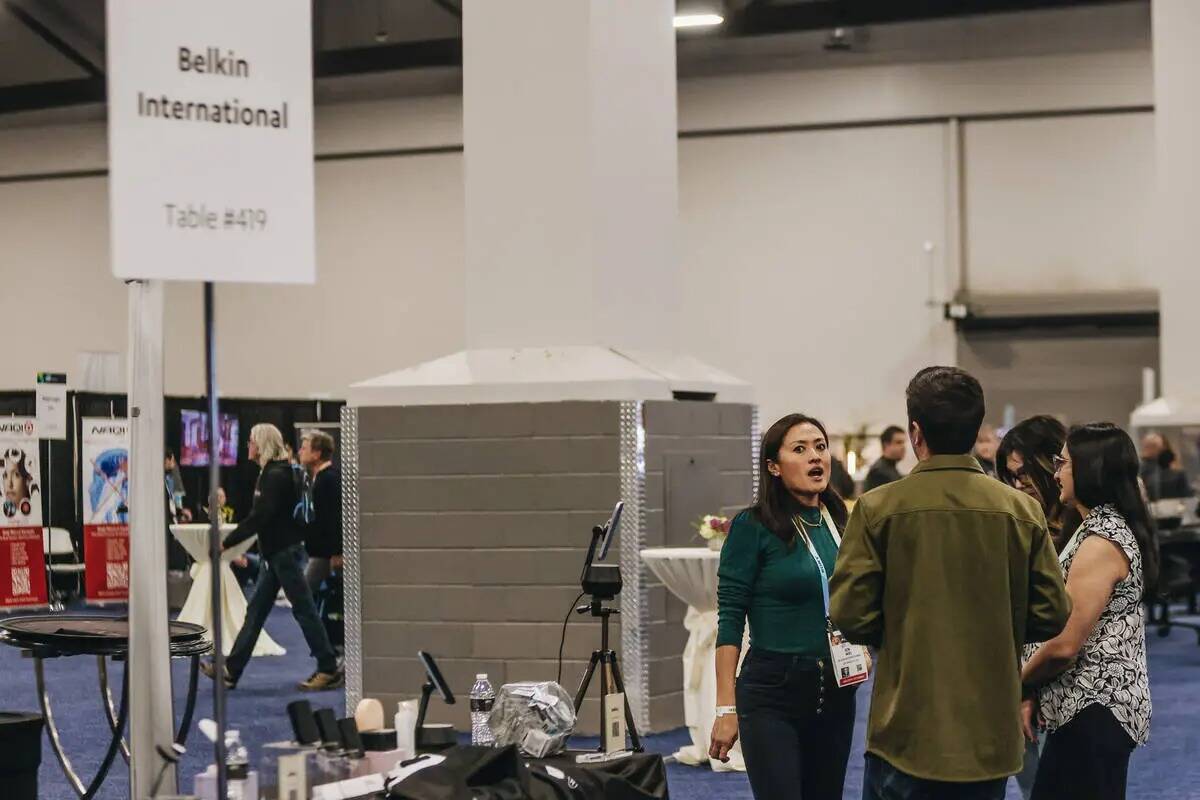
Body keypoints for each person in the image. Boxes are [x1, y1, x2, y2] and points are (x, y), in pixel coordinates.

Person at [830, 366, 1071, 800]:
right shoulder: (1021, 510)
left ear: (915, 432)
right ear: (976, 428)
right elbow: (1052, 612)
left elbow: (849, 614)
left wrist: (902, 631)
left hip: (904, 728)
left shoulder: (876, 508)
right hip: (989, 732)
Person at [709, 413, 858, 798]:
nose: (815, 457)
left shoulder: (841, 521)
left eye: (821, 447)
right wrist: (725, 709)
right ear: (773, 467)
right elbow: (729, 621)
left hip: (837, 690)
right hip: (773, 690)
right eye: (800, 449)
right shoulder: (753, 526)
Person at [1022, 424, 1158, 800]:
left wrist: (1016, 684)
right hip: (1083, 709)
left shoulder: (1102, 540)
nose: (1055, 473)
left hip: (1095, 710)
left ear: (1090, 469)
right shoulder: (1093, 528)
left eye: (1062, 463)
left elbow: (1065, 645)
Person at [201, 423, 342, 691]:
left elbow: (260, 517)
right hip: (277, 554)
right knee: (257, 612)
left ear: (262, 443)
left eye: (252, 441)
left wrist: (226, 544)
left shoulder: (275, 475)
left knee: (303, 610)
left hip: (283, 554)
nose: (248, 446)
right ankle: (231, 669)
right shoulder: (274, 473)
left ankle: (328, 667)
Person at [995, 415, 1082, 799]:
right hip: (1021, 682)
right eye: (1011, 477)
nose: (1018, 485)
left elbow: (1071, 632)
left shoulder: (1086, 529)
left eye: (1025, 473)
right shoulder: (1016, 525)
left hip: (1072, 686)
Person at [298, 429, 342, 596]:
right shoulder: (319, 478)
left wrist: (338, 552)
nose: (300, 452)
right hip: (320, 552)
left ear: (316, 453)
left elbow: (335, 518)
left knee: (303, 597)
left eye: (304, 448)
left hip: (326, 554)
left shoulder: (329, 479)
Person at [863, 425, 906, 492]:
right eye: (899, 442)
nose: (903, 447)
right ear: (886, 445)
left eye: (904, 442)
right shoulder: (878, 473)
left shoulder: (890, 468)